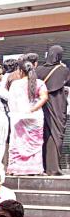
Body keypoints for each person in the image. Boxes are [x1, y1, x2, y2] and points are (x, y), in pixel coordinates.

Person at [7, 58, 49, 176]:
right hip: (35, 118)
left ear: (21, 71)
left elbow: (11, 102)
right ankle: (34, 169)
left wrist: (20, 112)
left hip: (19, 118)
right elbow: (44, 98)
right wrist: (33, 109)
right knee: (35, 143)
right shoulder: (39, 83)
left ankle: (16, 169)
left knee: (18, 142)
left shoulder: (15, 84)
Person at [37, 45, 70, 176]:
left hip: (41, 105)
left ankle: (42, 166)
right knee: (56, 134)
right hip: (57, 105)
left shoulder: (38, 70)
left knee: (42, 134)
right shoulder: (63, 70)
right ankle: (54, 167)